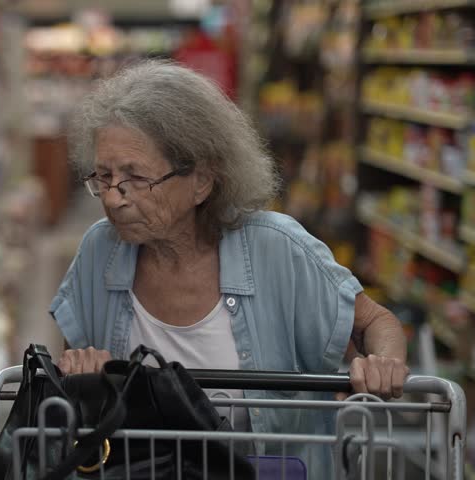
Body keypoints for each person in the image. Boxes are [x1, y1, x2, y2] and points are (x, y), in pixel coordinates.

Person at [49, 60, 409, 471]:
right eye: (104, 176)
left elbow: (375, 322)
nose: (114, 198)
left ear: (202, 181)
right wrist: (83, 374)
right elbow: (73, 379)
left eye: (136, 179)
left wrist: (384, 363)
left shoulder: (277, 248)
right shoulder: (100, 250)